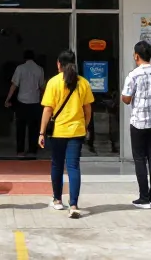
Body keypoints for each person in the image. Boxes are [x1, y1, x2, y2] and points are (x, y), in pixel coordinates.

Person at [39, 49, 94, 219]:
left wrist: (41, 131)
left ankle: (57, 200)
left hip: (58, 132)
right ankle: (74, 204)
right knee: (73, 167)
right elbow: (88, 109)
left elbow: (48, 110)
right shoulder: (83, 83)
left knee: (56, 165)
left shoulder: (54, 83)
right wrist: (84, 126)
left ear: (58, 64)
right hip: (76, 131)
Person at [122, 40, 151, 209]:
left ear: (136, 56)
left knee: (140, 159)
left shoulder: (133, 75)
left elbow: (126, 99)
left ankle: (144, 197)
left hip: (138, 122)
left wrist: (132, 96)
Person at [5, 49, 45, 158]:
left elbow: (14, 85)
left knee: (20, 128)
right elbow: (42, 88)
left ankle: (20, 151)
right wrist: (44, 101)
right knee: (34, 128)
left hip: (21, 102)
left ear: (24, 58)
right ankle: (32, 151)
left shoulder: (20, 68)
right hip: (35, 102)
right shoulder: (39, 69)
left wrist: (8, 99)